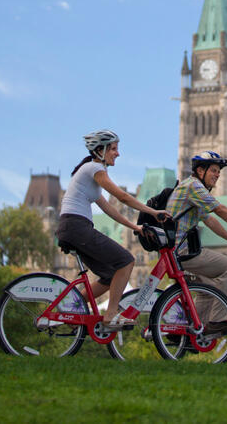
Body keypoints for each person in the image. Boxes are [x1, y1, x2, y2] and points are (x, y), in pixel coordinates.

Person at [56, 129, 169, 330]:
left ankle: (72, 307)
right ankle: (111, 314)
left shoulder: (91, 177)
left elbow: (109, 210)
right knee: (126, 261)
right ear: (101, 150)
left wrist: (135, 226)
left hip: (72, 228)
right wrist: (153, 212)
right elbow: (122, 197)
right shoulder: (94, 169)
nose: (117, 153)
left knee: (110, 275)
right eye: (114, 149)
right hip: (76, 226)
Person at [165, 150, 227, 335]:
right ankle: (220, 320)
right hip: (183, 251)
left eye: (219, 171)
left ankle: (193, 333)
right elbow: (220, 210)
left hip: (175, 251)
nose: (218, 175)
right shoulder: (194, 186)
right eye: (214, 170)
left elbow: (210, 220)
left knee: (208, 289)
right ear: (200, 171)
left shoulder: (190, 188)